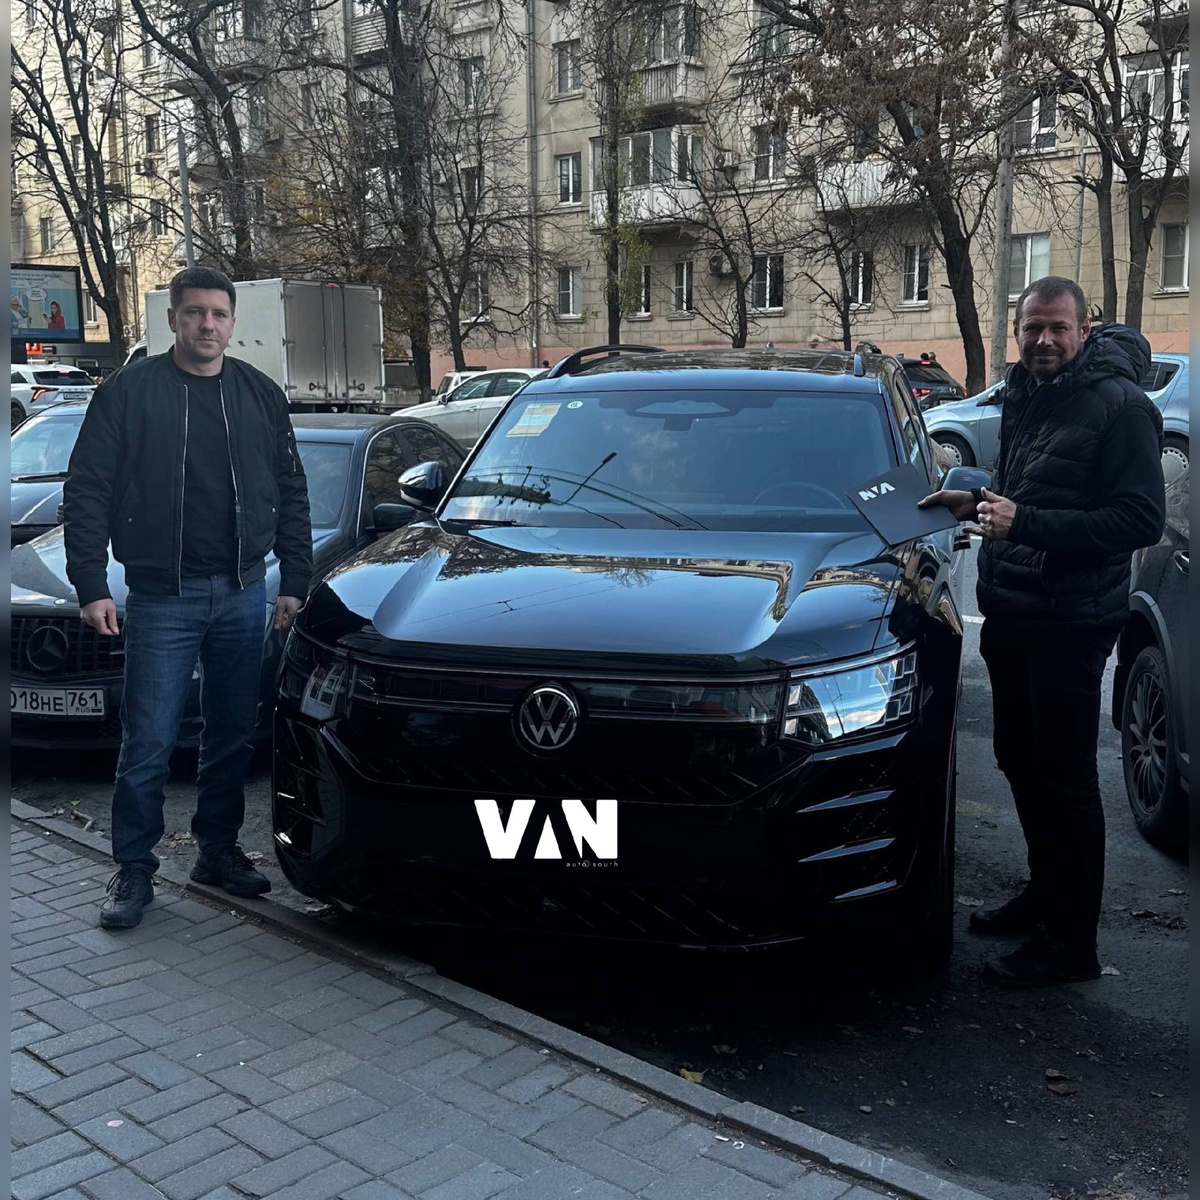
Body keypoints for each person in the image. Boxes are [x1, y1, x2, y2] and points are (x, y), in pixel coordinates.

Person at [920, 278, 1165, 986]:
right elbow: (1033, 485)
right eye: (1032, 327)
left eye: (1058, 327)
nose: (1044, 340)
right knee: (1020, 759)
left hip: (1070, 619)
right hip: (1014, 607)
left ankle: (1071, 945)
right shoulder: (1029, 390)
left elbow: (1138, 519)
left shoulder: (1122, 407)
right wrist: (977, 499)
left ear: (1085, 331)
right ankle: (1045, 893)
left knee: (1065, 779)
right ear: (1018, 331)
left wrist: (1022, 522)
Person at [63, 266, 313, 930]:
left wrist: (295, 579)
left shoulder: (259, 395)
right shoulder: (129, 392)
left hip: (242, 592)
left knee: (230, 736)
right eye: (195, 313)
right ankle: (134, 868)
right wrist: (91, 583)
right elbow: (87, 487)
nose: (207, 324)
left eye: (218, 314)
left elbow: (291, 491)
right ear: (173, 319)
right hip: (161, 597)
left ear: (232, 323)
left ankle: (217, 852)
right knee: (148, 739)